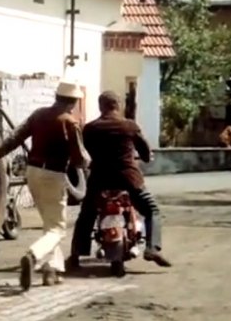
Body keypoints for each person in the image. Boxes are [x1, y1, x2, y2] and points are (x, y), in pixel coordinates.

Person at [0, 80, 91, 291]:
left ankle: (52, 271)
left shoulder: (39, 115)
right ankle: (33, 256)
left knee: (50, 223)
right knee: (57, 229)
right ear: (73, 102)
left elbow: (14, 138)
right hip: (53, 175)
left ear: (57, 97)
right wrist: (87, 163)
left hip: (33, 172)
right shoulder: (70, 122)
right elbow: (79, 159)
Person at [66, 90, 172, 270]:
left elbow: (82, 153)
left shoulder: (90, 128)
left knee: (86, 215)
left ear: (101, 107)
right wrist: (146, 157)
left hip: (99, 179)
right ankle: (152, 248)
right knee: (151, 209)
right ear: (118, 105)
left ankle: (76, 255)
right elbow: (145, 151)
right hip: (128, 179)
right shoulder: (129, 126)